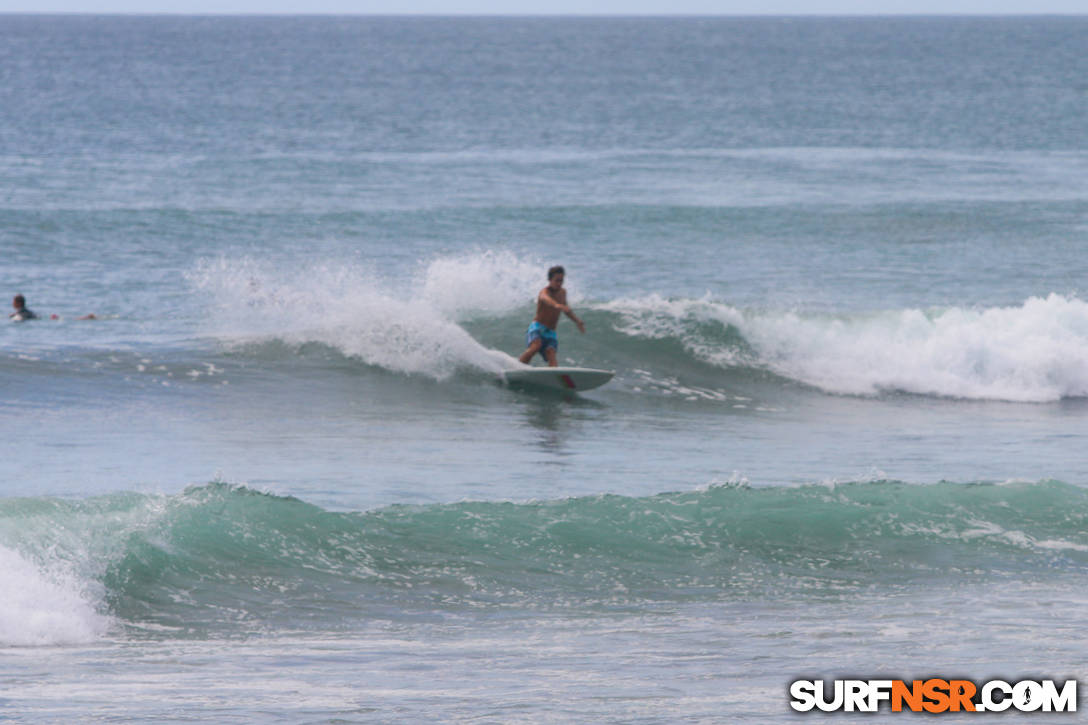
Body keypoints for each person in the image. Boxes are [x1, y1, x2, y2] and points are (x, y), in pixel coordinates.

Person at [519, 265, 586, 367]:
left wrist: (577, 321)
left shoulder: (563, 293)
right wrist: (556, 305)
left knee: (551, 353)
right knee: (536, 346)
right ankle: (518, 366)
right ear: (550, 280)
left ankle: (553, 376)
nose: (559, 283)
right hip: (537, 327)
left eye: (561, 281)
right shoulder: (544, 292)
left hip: (551, 332)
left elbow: (566, 310)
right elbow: (545, 298)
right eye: (557, 280)